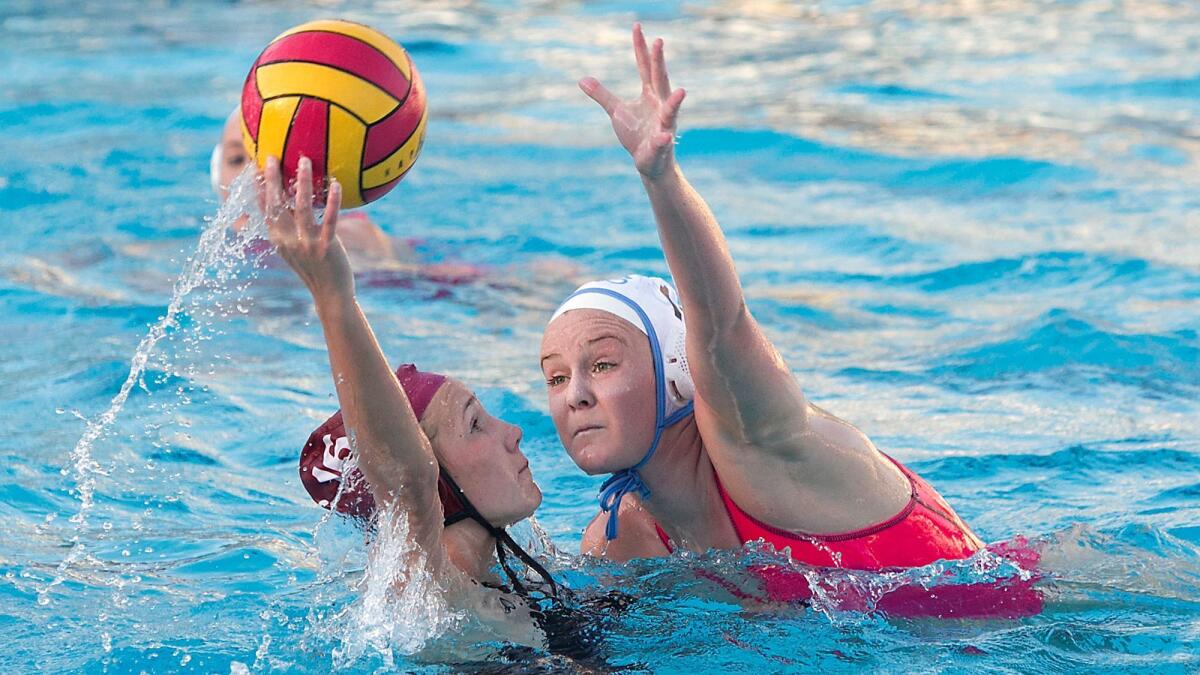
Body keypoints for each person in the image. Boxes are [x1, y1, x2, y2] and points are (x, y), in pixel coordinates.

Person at [539, 25, 1041, 618]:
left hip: (1039, 616)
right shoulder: (619, 541)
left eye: (601, 364)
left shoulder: (757, 443)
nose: (575, 395)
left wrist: (661, 178)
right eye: (554, 377)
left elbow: (720, 323)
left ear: (677, 372)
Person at [263, 155, 618, 660]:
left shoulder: (502, 576)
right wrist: (332, 298)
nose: (513, 431)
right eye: (475, 425)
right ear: (434, 481)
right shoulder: (428, 594)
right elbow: (404, 478)